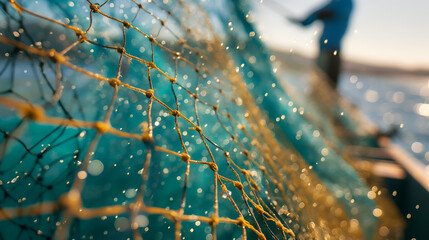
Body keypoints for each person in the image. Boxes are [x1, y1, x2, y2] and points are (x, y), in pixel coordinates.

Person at [289, 0, 353, 88]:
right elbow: (320, 12)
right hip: (326, 49)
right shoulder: (337, 2)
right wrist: (304, 21)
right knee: (324, 84)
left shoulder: (345, 2)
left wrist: (307, 21)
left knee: (326, 84)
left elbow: (325, 12)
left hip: (331, 51)